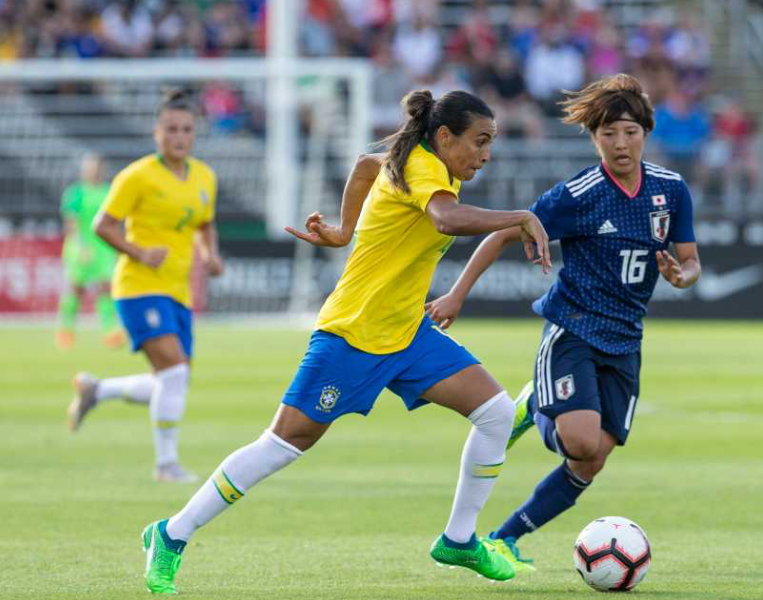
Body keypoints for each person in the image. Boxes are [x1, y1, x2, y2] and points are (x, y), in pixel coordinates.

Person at [138, 89, 553, 594]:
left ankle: (459, 539)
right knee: (284, 443)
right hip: (354, 333)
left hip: (405, 332)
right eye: (479, 142)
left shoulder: (417, 163)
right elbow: (446, 219)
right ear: (444, 137)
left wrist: (343, 231)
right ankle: (171, 533)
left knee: (494, 412)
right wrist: (519, 216)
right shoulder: (424, 170)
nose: (486, 154)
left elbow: (362, 165)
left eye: (490, 143)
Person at [425, 74, 701, 569]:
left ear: (646, 132)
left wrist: (682, 277)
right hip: (572, 328)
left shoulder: (671, 191)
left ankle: (506, 537)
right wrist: (456, 294)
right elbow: (504, 234)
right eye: (608, 133)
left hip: (625, 340)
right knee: (576, 437)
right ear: (594, 137)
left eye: (630, 132)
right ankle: (537, 405)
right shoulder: (579, 194)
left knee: (591, 457)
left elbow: (690, 260)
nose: (620, 143)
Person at [65, 89, 225, 485]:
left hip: (177, 291)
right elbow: (102, 224)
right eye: (171, 129)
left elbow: (204, 223)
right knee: (173, 375)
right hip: (137, 286)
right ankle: (166, 465)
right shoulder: (136, 176)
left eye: (187, 129)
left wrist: (209, 254)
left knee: (172, 379)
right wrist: (136, 252)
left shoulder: (205, 176)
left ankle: (96, 390)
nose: (179, 136)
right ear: (157, 132)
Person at [55, 153, 124, 350]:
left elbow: (115, 221)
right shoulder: (75, 192)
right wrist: (80, 245)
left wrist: (118, 246)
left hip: (103, 247)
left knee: (105, 289)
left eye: (96, 167)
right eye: (90, 167)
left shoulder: (109, 191)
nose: (93, 170)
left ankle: (109, 331)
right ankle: (65, 330)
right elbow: (71, 223)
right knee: (76, 288)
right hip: (80, 247)